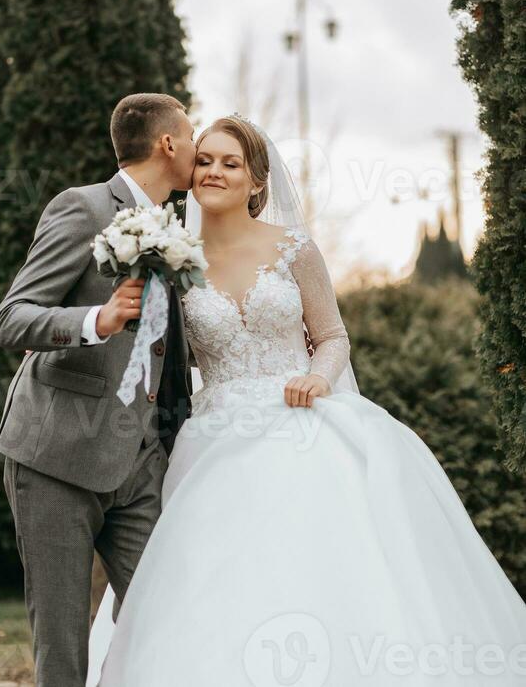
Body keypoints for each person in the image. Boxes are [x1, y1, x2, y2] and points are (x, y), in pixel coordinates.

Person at [87, 114, 526, 687]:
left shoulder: (294, 248)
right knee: (220, 578)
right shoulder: (169, 260)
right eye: (206, 160)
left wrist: (318, 378)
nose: (214, 171)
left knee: (321, 560)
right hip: (215, 443)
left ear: (257, 182)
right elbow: (167, 356)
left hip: (303, 424)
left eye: (231, 163)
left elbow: (334, 336)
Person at [0, 92, 196, 687]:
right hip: (55, 456)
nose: (196, 148)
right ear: (168, 143)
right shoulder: (82, 209)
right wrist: (95, 321)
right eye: (191, 136)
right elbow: (12, 316)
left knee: (169, 621)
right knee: (63, 650)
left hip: (140, 464)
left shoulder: (174, 226)